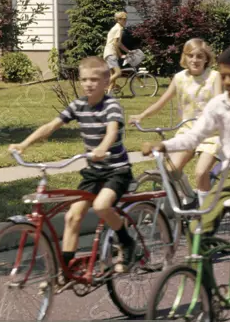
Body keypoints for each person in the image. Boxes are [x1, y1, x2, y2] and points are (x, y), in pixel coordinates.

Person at [141, 44, 230, 284]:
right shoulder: (218, 105)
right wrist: (164, 145)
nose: (227, 82)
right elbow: (195, 135)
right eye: (223, 76)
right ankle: (206, 294)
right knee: (197, 228)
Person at [9, 55, 136, 274]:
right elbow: (51, 126)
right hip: (93, 172)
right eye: (85, 79)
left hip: (117, 170)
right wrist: (24, 144)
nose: (89, 84)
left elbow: (112, 131)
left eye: (95, 80)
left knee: (101, 206)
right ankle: (66, 270)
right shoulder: (78, 105)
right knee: (72, 216)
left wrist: (102, 148)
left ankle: (126, 242)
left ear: (106, 82)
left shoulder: (111, 105)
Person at [130, 38, 222, 202]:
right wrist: (141, 116)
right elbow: (161, 102)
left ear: (206, 58)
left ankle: (205, 217)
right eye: (190, 56)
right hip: (187, 132)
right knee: (171, 169)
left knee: (201, 173)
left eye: (199, 56)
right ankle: (190, 197)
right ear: (185, 57)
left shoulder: (215, 77)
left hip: (211, 134)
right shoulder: (179, 78)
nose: (195, 60)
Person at [103, 10, 129, 80]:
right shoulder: (118, 28)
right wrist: (120, 55)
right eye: (124, 19)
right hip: (111, 53)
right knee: (118, 73)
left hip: (109, 53)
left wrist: (128, 51)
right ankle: (101, 86)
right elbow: (115, 43)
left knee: (113, 76)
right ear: (119, 20)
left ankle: (110, 91)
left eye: (126, 19)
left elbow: (119, 44)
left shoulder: (116, 27)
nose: (125, 21)